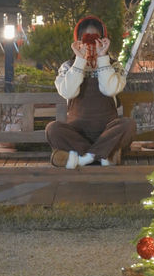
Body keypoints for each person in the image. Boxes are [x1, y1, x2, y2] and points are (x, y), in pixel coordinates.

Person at [45, 15, 136, 169]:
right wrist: (80, 60)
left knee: (128, 125)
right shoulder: (68, 66)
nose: (91, 43)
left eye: (95, 38)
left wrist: (102, 57)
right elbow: (68, 92)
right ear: (78, 41)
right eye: (86, 38)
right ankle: (103, 155)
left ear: (103, 40)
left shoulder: (114, 66)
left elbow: (110, 90)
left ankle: (83, 158)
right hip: (77, 133)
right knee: (52, 129)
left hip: (108, 132)